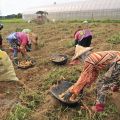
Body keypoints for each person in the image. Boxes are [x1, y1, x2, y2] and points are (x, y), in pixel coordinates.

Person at [60, 45, 120, 112]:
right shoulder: (93, 57)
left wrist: (71, 91)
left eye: (79, 58)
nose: (80, 60)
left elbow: (84, 77)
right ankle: (115, 87)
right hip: (117, 60)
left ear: (82, 56)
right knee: (112, 76)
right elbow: (94, 73)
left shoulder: (89, 60)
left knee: (101, 84)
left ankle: (99, 107)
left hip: (118, 62)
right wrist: (89, 83)